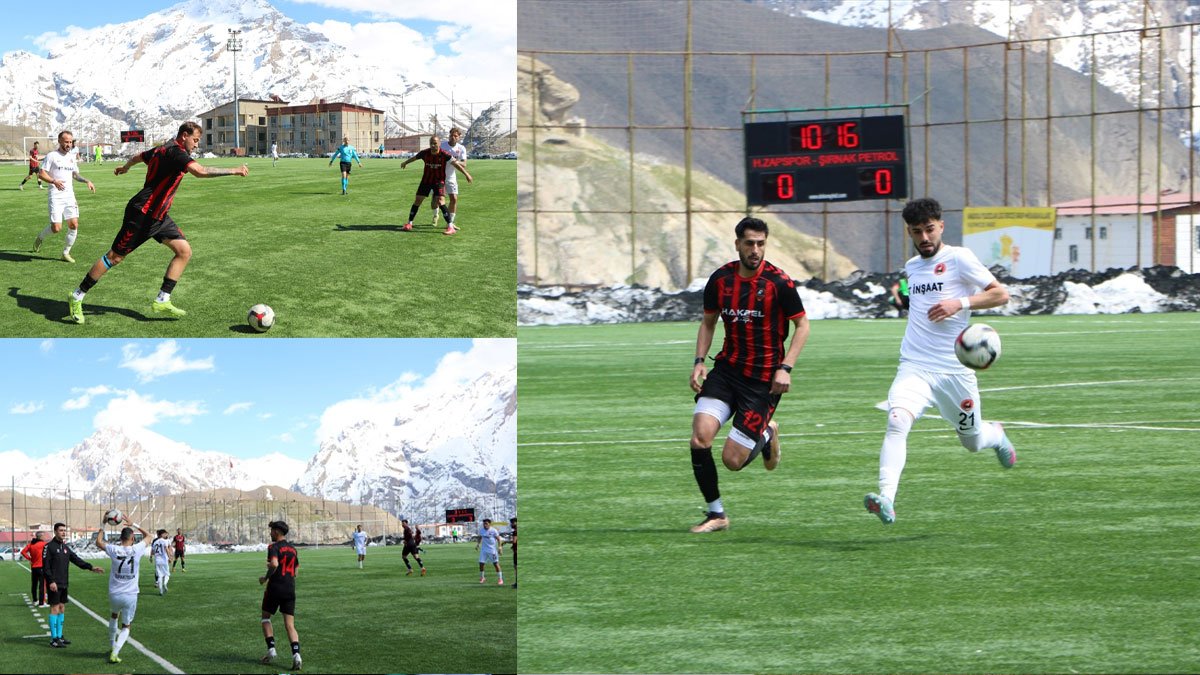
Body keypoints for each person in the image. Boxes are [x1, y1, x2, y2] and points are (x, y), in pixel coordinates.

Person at [865, 197, 1017, 526]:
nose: (924, 238)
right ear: (909, 232)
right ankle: (886, 499)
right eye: (916, 231)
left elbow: (1000, 294)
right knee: (897, 421)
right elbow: (917, 300)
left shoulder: (959, 258)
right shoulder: (912, 267)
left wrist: (958, 303)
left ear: (941, 227)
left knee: (972, 441)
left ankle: (997, 435)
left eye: (929, 229)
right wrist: (904, 297)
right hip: (915, 366)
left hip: (954, 371)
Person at [688, 216, 810, 533]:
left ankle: (767, 433)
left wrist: (786, 367)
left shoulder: (779, 284)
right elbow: (708, 321)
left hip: (763, 381)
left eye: (760, 243)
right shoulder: (721, 280)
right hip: (727, 371)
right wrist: (700, 360)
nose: (755, 250)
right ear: (738, 244)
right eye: (749, 243)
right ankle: (716, 514)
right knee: (700, 438)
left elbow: (803, 325)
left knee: (732, 461)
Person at [65, 121, 249, 325]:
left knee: (184, 251)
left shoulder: (161, 149)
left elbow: (138, 157)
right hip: (142, 214)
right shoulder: (177, 153)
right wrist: (234, 170)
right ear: (184, 135)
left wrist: (125, 167)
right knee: (114, 257)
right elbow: (200, 171)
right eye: (195, 140)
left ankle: (163, 299)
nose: (196, 145)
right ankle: (77, 295)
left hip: (159, 216)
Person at [94, 514, 151, 664]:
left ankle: (112, 644)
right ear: (132, 539)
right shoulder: (137, 549)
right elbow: (149, 536)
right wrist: (134, 524)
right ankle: (116, 651)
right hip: (131, 594)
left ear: (120, 539)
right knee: (126, 626)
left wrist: (103, 523)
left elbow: (98, 542)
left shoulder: (114, 549)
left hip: (114, 593)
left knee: (114, 615)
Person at [34, 131, 95, 264]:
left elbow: (75, 175)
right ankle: (40, 237)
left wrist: (86, 181)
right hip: (55, 196)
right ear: (60, 141)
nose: (68, 144)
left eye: (70, 142)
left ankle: (65, 252)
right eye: (66, 141)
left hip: (69, 196)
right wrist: (53, 181)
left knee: (74, 224)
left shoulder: (71, 157)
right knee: (56, 228)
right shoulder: (52, 156)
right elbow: (41, 174)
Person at [42, 522, 105, 648]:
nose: (63, 532)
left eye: (65, 530)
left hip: (64, 583)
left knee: (61, 608)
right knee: (54, 608)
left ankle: (59, 636)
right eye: (61, 530)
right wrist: (51, 581)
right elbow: (46, 566)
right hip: (54, 583)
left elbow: (76, 559)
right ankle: (54, 639)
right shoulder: (49, 547)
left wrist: (91, 567)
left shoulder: (65, 547)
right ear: (55, 531)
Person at [399, 134, 471, 234]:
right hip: (426, 180)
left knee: (441, 201)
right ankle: (409, 223)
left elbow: (456, 165)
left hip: (439, 181)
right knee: (418, 200)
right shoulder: (425, 153)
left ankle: (450, 227)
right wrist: (405, 163)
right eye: (431, 143)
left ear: (439, 144)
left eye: (435, 143)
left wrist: (466, 174)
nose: (433, 145)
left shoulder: (444, 154)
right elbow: (415, 158)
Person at [259, 520, 301, 671]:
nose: (270, 534)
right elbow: (295, 572)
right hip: (290, 589)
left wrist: (265, 577)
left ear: (276, 531)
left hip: (275, 588)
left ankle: (271, 650)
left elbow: (275, 564)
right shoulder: (293, 549)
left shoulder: (273, 547)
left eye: (271, 531)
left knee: (265, 617)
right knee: (290, 625)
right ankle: (296, 655)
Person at [437, 127, 469, 234]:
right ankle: (435, 213)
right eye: (451, 135)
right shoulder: (442, 145)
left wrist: (453, 161)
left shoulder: (461, 148)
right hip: (439, 176)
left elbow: (464, 164)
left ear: (459, 137)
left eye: (456, 136)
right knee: (436, 202)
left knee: (454, 199)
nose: (453, 137)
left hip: (451, 177)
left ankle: (450, 222)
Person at [20, 530, 49, 607]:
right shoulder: (44, 544)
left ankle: (35, 600)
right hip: (41, 567)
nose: (45, 537)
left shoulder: (31, 544)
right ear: (41, 536)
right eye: (44, 535)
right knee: (42, 585)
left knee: (34, 584)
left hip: (34, 568)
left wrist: (30, 559)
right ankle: (42, 603)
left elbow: (23, 552)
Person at [476, 518, 503, 585]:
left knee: (496, 564)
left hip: (492, 550)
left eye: (486, 524)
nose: (485, 525)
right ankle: (482, 578)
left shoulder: (494, 530)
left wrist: (499, 547)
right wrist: (478, 544)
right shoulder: (481, 530)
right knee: (481, 564)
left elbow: (499, 539)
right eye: (484, 524)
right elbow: (480, 537)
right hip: (483, 550)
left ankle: (500, 579)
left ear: (489, 524)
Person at [151, 529, 173, 595]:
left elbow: (152, 551)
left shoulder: (155, 542)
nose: (166, 534)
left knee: (160, 576)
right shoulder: (164, 541)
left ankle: (161, 591)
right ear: (162, 534)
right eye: (165, 533)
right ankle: (165, 584)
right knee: (167, 574)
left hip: (157, 560)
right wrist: (170, 558)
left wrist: (151, 557)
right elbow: (166, 550)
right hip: (164, 559)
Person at [509, 517, 517, 589]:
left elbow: (514, 541)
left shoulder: (515, 531)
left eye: (512, 522)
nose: (511, 524)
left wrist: (505, 542)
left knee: (516, 567)